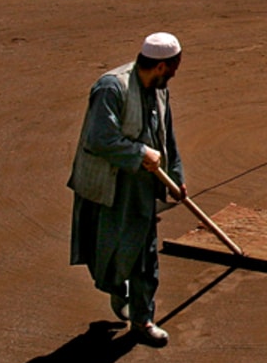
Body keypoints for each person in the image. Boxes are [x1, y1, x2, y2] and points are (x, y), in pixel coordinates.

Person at [68, 32, 187, 346]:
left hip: (141, 188)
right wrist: (140, 153)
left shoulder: (160, 90)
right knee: (107, 253)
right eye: (173, 68)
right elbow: (99, 138)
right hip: (109, 188)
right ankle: (116, 289)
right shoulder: (111, 88)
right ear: (160, 66)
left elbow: (167, 135)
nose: (174, 74)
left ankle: (142, 319)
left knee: (146, 254)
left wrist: (176, 175)